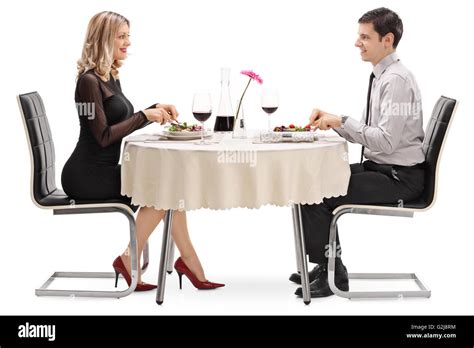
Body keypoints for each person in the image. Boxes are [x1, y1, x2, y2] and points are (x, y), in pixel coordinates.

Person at [61, 11, 224, 291]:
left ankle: (186, 261)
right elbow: (102, 136)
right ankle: (130, 260)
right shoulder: (88, 82)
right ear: (103, 40)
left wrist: (154, 108)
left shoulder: (109, 76)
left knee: (170, 187)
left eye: (128, 36)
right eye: (121, 36)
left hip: (103, 169)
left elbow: (118, 121)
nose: (128, 43)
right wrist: (145, 116)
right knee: (163, 191)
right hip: (86, 176)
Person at [291, 7, 425, 298]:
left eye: (365, 37)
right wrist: (336, 121)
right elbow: (371, 131)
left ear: (387, 40)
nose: (357, 43)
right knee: (307, 183)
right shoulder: (383, 75)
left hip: (400, 178)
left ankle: (332, 273)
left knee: (317, 191)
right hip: (383, 169)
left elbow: (386, 142)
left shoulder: (395, 80)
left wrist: (342, 123)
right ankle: (327, 263)